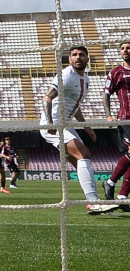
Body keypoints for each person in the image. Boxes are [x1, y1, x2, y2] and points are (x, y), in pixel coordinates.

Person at [40, 46, 116, 214]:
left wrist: (86, 125)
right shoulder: (66, 75)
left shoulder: (86, 79)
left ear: (87, 59)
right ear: (69, 60)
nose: (78, 57)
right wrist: (50, 122)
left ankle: (94, 203)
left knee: (80, 160)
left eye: (81, 55)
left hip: (67, 123)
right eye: (74, 55)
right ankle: (94, 202)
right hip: (54, 124)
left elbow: (75, 105)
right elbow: (47, 97)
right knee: (84, 154)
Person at [102, 41, 130, 204]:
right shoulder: (115, 72)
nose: (125, 51)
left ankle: (122, 196)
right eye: (122, 48)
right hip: (126, 119)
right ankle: (111, 182)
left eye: (128, 48)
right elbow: (106, 94)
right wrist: (108, 115)